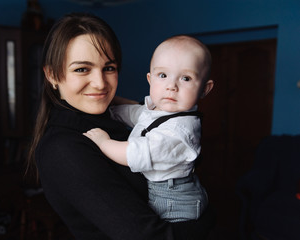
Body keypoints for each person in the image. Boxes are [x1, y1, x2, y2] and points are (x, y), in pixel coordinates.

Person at [26, 12, 215, 240]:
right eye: (81, 69)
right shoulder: (63, 148)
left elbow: (143, 114)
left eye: (109, 68)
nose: (100, 83)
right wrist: (208, 219)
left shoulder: (102, 120)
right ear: (52, 75)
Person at [83, 35, 214, 223]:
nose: (171, 86)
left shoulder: (177, 132)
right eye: (163, 75)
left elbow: (133, 154)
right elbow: (140, 115)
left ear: (204, 89)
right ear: (150, 79)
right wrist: (111, 105)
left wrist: (104, 143)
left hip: (173, 202)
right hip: (171, 191)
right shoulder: (166, 110)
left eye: (186, 78)